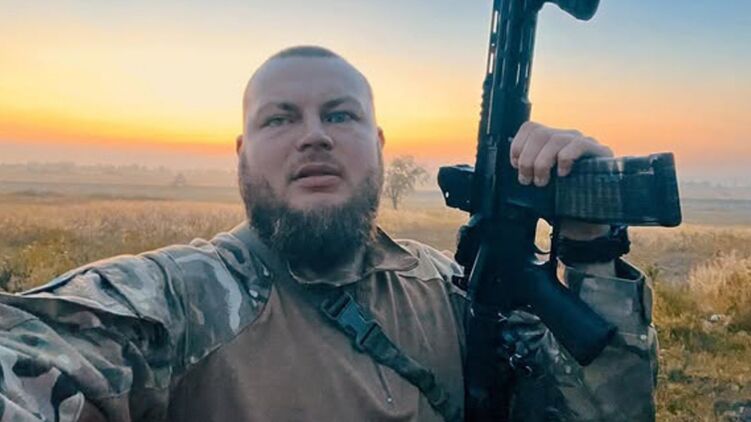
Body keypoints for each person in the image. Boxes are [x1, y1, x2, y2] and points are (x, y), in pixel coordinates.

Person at [0, 46, 657, 421]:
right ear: (242, 155)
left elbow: (604, 410)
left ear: (377, 146)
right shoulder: (178, 297)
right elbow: (31, 355)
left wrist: (589, 247)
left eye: (339, 116)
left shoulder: (450, 288)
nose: (313, 135)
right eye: (279, 119)